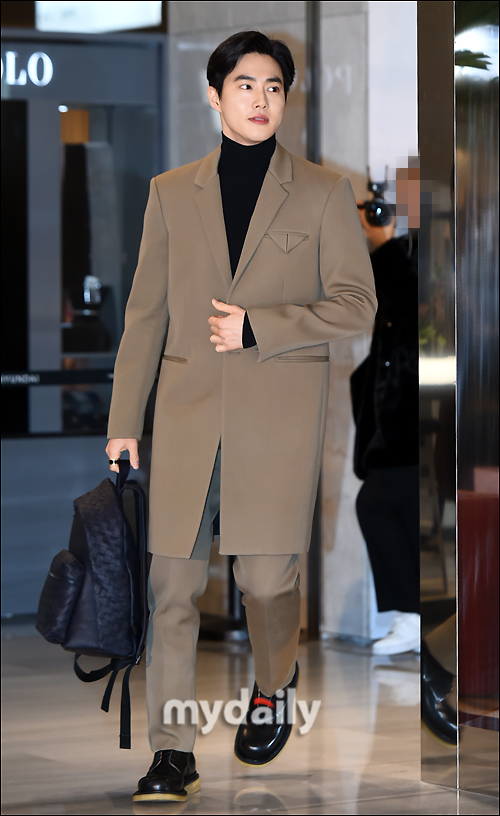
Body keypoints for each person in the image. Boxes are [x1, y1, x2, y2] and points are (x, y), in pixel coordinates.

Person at [106, 31, 376, 802]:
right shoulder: (169, 191)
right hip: (188, 420)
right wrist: (125, 420)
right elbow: (145, 318)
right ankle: (171, 752)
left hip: (275, 424)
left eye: (275, 87)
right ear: (215, 93)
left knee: (263, 584)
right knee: (172, 590)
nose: (262, 100)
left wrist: (262, 325)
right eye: (246, 85)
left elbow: (356, 304)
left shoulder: (324, 192)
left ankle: (273, 681)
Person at [351, 169, 420, 655]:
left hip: (421, 414)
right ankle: (415, 615)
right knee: (385, 505)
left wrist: (384, 239)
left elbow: (411, 294)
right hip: (399, 415)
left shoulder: (423, 251)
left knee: (384, 504)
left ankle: (418, 615)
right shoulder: (397, 256)